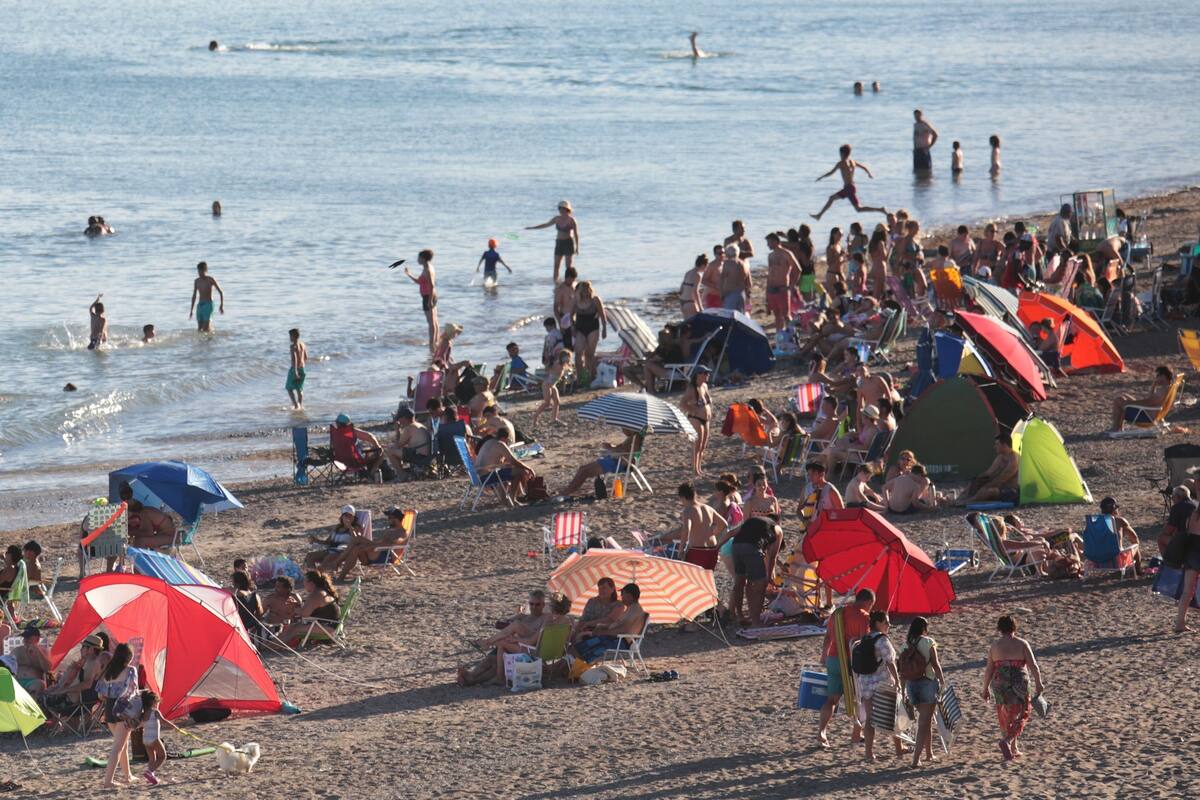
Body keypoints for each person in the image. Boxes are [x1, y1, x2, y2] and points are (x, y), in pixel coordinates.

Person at [817, 589, 875, 748]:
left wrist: (823, 657)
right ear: (868, 602)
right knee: (860, 699)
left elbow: (828, 636)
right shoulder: (864, 617)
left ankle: (822, 732)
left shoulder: (838, 613)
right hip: (850, 663)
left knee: (832, 700)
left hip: (833, 659)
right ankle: (856, 735)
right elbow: (864, 642)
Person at [981, 615, 1043, 762]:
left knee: (1005, 712)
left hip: (999, 682)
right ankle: (1007, 741)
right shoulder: (1022, 644)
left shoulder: (995, 646)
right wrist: (1039, 683)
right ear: (1014, 627)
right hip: (1018, 681)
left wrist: (985, 688)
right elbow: (1033, 665)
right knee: (1023, 712)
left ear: (999, 629)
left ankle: (1012, 747)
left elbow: (989, 669)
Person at [855, 611, 910, 761]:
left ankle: (869, 753)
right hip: (882, 683)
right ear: (878, 623)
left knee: (870, 719)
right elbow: (890, 662)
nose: (888, 625)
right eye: (886, 622)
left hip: (865, 683)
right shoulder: (882, 640)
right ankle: (899, 749)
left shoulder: (865, 638)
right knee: (893, 716)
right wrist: (898, 681)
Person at [491, 592, 573, 684]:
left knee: (502, 642)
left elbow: (530, 642)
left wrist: (516, 639)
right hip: (557, 654)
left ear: (552, 607)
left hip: (538, 653)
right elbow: (566, 642)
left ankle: (499, 677)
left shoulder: (548, 622)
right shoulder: (569, 623)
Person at [716, 516, 781, 628]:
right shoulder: (777, 529)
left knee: (740, 582)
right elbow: (772, 557)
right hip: (752, 548)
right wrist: (769, 577)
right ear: (778, 522)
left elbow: (731, 533)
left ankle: (741, 616)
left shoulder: (752, 521)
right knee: (760, 585)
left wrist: (716, 547)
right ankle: (756, 622)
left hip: (735, 546)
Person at [901, 616, 945, 768]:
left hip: (912, 685)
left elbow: (902, 669)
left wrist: (902, 688)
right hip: (927, 682)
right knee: (924, 722)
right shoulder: (928, 642)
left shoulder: (906, 645)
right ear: (924, 628)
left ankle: (929, 753)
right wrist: (942, 681)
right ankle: (915, 760)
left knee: (926, 719)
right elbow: (936, 664)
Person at [96, 642, 140, 787]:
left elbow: (101, 694)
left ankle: (128, 776)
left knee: (122, 744)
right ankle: (108, 781)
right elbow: (133, 691)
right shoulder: (130, 670)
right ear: (129, 656)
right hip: (122, 709)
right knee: (118, 747)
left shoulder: (109, 670)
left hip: (109, 708)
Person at [571, 583, 645, 664]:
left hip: (619, 641)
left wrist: (603, 632)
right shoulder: (631, 609)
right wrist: (603, 627)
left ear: (629, 596)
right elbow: (619, 626)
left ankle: (574, 663)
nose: (621, 597)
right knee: (583, 643)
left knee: (584, 645)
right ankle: (574, 662)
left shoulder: (634, 610)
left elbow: (624, 629)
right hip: (616, 639)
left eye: (622, 595)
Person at [334, 506, 413, 580]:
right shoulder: (389, 531)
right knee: (357, 542)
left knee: (357, 545)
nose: (388, 520)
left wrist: (370, 546)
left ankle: (338, 566)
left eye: (390, 518)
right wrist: (370, 545)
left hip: (386, 557)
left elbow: (391, 544)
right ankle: (339, 570)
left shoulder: (403, 533)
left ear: (396, 519)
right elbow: (381, 543)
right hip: (376, 553)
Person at [559, 429, 645, 496]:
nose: (623, 430)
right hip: (613, 460)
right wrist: (611, 446)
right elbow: (622, 448)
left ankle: (567, 492)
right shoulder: (632, 437)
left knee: (584, 472)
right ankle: (568, 490)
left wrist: (611, 448)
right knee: (582, 469)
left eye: (624, 428)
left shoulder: (636, 437)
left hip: (618, 463)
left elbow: (632, 453)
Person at [812, 144, 886, 220]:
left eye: (840, 153)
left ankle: (819, 215)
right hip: (851, 187)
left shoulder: (841, 163)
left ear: (843, 153)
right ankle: (880, 209)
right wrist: (869, 174)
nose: (839, 155)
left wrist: (821, 177)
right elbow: (864, 167)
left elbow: (831, 172)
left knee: (832, 198)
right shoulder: (853, 162)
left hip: (848, 188)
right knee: (858, 209)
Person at [278, 571, 340, 647]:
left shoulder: (316, 594)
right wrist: (296, 605)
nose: (303, 583)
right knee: (291, 627)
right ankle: (272, 644)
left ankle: (274, 645)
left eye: (304, 580)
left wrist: (294, 608)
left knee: (295, 629)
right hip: (327, 624)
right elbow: (308, 610)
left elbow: (304, 614)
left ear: (311, 583)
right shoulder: (321, 591)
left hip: (327, 627)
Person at [525, 200, 579, 284]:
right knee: (556, 265)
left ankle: (569, 282)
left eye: (562, 208)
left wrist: (577, 247)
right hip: (559, 243)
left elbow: (576, 234)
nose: (560, 210)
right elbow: (546, 225)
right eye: (559, 208)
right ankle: (556, 283)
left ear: (567, 209)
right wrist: (532, 228)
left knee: (568, 266)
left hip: (568, 243)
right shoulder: (556, 218)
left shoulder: (572, 220)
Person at [475, 427, 535, 501]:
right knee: (520, 472)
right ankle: (513, 498)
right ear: (505, 438)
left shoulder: (488, 442)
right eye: (508, 440)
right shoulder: (500, 444)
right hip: (487, 477)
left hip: (477, 477)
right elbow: (513, 461)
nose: (507, 442)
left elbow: (498, 461)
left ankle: (509, 498)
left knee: (512, 471)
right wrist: (529, 468)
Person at [958, 434, 1020, 505]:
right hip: (999, 488)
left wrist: (986, 486)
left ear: (1004, 445)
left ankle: (968, 501)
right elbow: (989, 473)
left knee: (989, 491)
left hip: (1009, 491)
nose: (995, 447)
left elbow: (1002, 478)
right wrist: (977, 480)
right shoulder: (1000, 457)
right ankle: (959, 499)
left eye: (997, 444)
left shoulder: (1014, 459)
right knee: (974, 483)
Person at [137, 690, 182, 785]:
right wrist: (174, 727)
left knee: (152, 759)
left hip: (145, 739)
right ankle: (149, 772)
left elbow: (140, 725)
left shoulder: (143, 713)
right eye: (157, 702)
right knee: (162, 756)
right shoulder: (155, 712)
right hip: (154, 739)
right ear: (154, 703)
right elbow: (163, 721)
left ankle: (150, 776)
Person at [1111, 365, 1173, 432]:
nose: (1156, 378)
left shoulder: (1163, 390)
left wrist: (1130, 403)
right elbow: (1150, 398)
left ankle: (1116, 428)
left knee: (1118, 400)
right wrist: (1154, 385)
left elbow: (1149, 401)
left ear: (1163, 376)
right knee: (1124, 396)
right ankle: (1119, 428)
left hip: (1146, 417)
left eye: (1158, 376)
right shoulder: (1167, 388)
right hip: (1148, 412)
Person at [668, 482, 727, 552]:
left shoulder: (688, 511)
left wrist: (681, 549)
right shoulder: (707, 508)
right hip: (712, 548)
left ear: (682, 497)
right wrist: (713, 533)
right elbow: (724, 524)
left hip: (697, 549)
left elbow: (686, 529)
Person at [404, 250, 439, 355]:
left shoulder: (428, 269)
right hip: (430, 296)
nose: (417, 259)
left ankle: (432, 344)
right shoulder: (427, 268)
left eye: (418, 257)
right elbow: (419, 282)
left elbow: (432, 285)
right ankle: (436, 341)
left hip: (429, 296)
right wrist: (409, 274)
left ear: (423, 258)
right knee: (434, 321)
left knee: (431, 322)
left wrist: (429, 301)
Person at [305, 505, 362, 569]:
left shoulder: (356, 527)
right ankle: (313, 575)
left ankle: (319, 575)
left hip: (342, 553)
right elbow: (327, 542)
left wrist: (350, 527)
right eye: (346, 515)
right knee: (309, 556)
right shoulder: (337, 527)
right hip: (331, 550)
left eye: (350, 516)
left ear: (353, 518)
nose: (348, 518)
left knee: (327, 559)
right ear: (342, 517)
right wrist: (315, 540)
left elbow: (357, 540)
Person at [572, 280, 607, 381]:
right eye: (583, 290)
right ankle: (579, 378)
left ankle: (591, 377)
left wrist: (604, 329)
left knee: (589, 354)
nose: (586, 292)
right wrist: (573, 327)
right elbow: (570, 316)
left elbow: (602, 316)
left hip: (593, 328)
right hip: (580, 328)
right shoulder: (576, 300)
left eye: (587, 290)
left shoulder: (595, 300)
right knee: (578, 353)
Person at [681, 367, 712, 476]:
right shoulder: (692, 389)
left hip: (706, 420)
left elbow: (707, 402)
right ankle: (695, 470)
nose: (708, 375)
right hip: (696, 419)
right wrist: (692, 410)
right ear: (698, 375)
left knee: (703, 446)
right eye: (705, 373)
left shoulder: (704, 386)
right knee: (697, 446)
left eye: (708, 373)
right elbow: (682, 403)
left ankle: (699, 468)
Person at [572, 578, 623, 643]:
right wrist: (579, 628)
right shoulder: (592, 601)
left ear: (612, 589)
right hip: (586, 633)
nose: (601, 590)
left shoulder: (618, 605)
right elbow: (583, 619)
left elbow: (609, 620)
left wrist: (588, 623)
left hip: (605, 636)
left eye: (604, 588)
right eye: (600, 588)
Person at [386, 407, 432, 478]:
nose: (398, 421)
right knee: (397, 450)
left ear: (404, 418)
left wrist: (397, 431)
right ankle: (402, 472)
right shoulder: (419, 425)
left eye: (399, 418)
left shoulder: (409, 428)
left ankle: (402, 475)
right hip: (426, 456)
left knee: (390, 451)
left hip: (419, 457)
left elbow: (398, 445)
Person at [533, 349, 572, 426]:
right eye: (566, 357)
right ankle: (535, 417)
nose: (568, 359)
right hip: (547, 385)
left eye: (569, 357)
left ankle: (554, 419)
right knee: (547, 403)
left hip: (552, 385)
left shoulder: (563, 365)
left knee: (557, 402)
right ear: (562, 357)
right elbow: (548, 369)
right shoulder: (558, 364)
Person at [13, 626, 53, 693]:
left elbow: (48, 669)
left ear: (37, 639)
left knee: (40, 684)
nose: (25, 640)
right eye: (24, 638)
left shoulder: (43, 651)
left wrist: (38, 651)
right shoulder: (17, 650)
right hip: (16, 681)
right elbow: (6, 664)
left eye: (28, 638)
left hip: (33, 682)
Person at [188, 261, 225, 332]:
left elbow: (220, 292)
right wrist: (191, 310)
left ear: (205, 270)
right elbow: (194, 296)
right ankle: (203, 341)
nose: (199, 273)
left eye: (201, 271)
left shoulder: (210, 279)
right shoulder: (196, 281)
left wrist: (221, 305)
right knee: (199, 329)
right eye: (198, 271)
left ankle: (209, 340)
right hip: (200, 305)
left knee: (205, 328)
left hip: (208, 304)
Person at [1161, 485, 1198, 555]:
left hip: (1186, 541)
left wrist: (1166, 525)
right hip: (1197, 539)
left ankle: (1167, 562)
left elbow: (1168, 530)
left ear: (1178, 497)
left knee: (1161, 539)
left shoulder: (1177, 507)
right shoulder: (1197, 504)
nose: (1172, 499)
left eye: (1173, 497)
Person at [719, 244, 752, 312]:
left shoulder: (727, 263)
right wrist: (748, 296)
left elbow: (722, 280)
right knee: (740, 318)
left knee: (728, 317)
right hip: (741, 294)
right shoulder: (744, 264)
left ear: (727, 253)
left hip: (730, 294)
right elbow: (749, 283)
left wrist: (722, 294)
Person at [231, 570, 264, 635]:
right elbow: (260, 614)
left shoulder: (237, 593)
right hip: (251, 627)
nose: (232, 583)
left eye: (233, 581)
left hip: (239, 626)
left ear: (237, 582)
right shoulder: (255, 596)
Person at [554, 267, 577, 347]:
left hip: (576, 317)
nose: (572, 281)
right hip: (565, 318)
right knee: (568, 344)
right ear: (567, 277)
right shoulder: (560, 289)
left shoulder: (576, 286)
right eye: (571, 279)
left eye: (574, 279)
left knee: (579, 343)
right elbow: (555, 308)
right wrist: (560, 323)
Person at [680, 254, 706, 319]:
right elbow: (695, 291)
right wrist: (701, 307)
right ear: (703, 265)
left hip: (683, 303)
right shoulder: (698, 275)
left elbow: (681, 289)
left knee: (686, 326)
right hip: (690, 303)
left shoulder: (688, 272)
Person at [287, 328, 307, 410]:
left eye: (290, 336)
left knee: (289, 388)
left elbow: (294, 359)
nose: (289, 338)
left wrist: (295, 371)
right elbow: (306, 357)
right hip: (302, 368)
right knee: (299, 388)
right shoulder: (303, 344)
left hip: (295, 369)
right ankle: (300, 405)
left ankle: (296, 405)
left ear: (293, 336)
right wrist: (301, 366)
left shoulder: (293, 346)